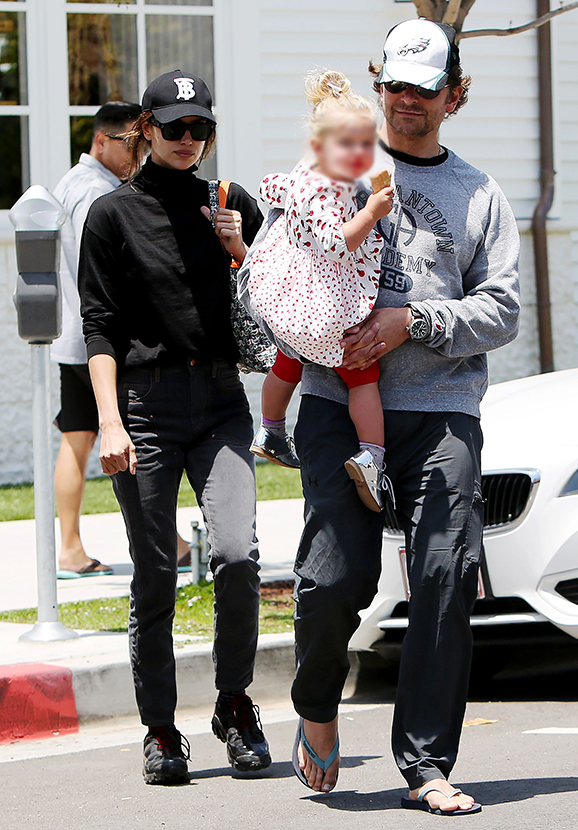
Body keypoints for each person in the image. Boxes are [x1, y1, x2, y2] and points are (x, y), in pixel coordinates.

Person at [289, 18, 520, 815]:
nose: (406, 101)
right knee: (332, 578)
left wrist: (412, 321)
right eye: (393, 85)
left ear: (454, 96)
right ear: (377, 84)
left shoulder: (481, 195)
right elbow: (285, 261)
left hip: (440, 409)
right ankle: (317, 706)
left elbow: (502, 309)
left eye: (424, 89)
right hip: (336, 403)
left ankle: (425, 764)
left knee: (445, 576)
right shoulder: (333, 163)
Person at [78, 70, 270, 785]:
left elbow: (280, 299)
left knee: (238, 556)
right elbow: (99, 328)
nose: (188, 139)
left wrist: (241, 250)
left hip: (220, 400)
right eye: (174, 126)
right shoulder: (110, 215)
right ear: (146, 128)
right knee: (155, 572)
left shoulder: (230, 203)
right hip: (145, 408)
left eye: (201, 128)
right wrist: (109, 421)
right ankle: (160, 729)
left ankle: (234, 706)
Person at [248, 70, 394, 511]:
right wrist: (370, 212)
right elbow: (335, 242)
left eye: (365, 142)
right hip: (324, 302)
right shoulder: (325, 186)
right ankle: (372, 455)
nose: (359, 153)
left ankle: (271, 428)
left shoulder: (306, 173)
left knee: (289, 358)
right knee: (361, 372)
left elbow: (269, 185)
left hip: (293, 296)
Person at [52, 101, 141, 577]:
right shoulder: (93, 192)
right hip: (99, 342)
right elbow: (110, 268)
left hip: (74, 338)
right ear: (102, 140)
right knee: (132, 437)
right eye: (132, 144)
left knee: (78, 438)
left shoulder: (73, 182)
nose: (138, 155)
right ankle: (169, 544)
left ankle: (69, 549)